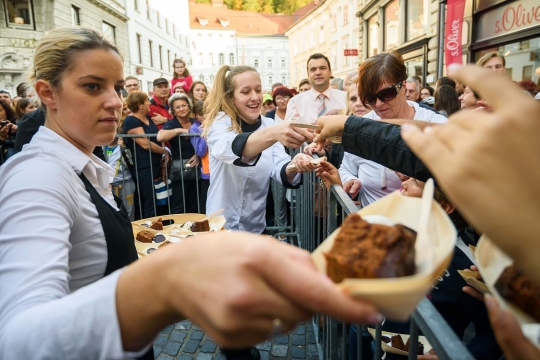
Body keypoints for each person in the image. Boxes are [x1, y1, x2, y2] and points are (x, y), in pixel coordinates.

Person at [0, 26, 382, 360]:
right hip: (222, 231)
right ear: (47, 93)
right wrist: (163, 283)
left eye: (117, 87)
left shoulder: (85, 168)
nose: (115, 102)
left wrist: (295, 165)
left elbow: (277, 170)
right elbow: (17, 338)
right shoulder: (37, 176)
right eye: (92, 86)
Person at [203, 65, 317, 234]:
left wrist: (296, 163)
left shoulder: (269, 124)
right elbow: (229, 149)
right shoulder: (220, 122)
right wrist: (273, 133)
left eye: (258, 90)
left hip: (255, 227)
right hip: (220, 228)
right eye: (245, 92)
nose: (255, 97)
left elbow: (280, 167)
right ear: (231, 97)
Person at [337, 51, 446, 206]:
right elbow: (345, 168)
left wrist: (418, 174)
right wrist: (351, 180)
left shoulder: (434, 122)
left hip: (418, 225)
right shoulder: (361, 127)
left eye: (386, 94)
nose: (379, 104)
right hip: (372, 224)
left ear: (403, 86)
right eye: (370, 98)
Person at [124, 90, 167, 218]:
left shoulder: (148, 117)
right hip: (143, 168)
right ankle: (150, 232)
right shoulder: (130, 121)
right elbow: (145, 144)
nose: (149, 103)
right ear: (140, 105)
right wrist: (165, 151)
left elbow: (157, 137)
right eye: (147, 101)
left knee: (161, 199)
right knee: (150, 202)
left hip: (156, 164)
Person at [157, 93, 199, 214]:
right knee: (179, 204)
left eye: (184, 105)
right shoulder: (172, 123)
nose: (181, 109)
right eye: (178, 107)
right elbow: (160, 136)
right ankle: (176, 231)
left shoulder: (194, 121)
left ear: (189, 106)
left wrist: (198, 155)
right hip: (179, 170)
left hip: (196, 166)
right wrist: (179, 130)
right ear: (173, 111)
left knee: (194, 202)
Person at [286, 53, 346, 124]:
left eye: (322, 68)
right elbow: (292, 130)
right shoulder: (295, 102)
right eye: (313, 69)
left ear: (330, 72)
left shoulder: (346, 98)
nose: (318, 72)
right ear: (308, 75)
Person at [104, 106, 135, 220]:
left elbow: (131, 162)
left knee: (129, 211)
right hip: (110, 184)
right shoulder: (102, 147)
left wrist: (123, 148)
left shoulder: (122, 146)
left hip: (125, 182)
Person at [189, 100, 210, 214]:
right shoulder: (194, 128)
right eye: (202, 114)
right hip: (207, 172)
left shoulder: (215, 123)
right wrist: (206, 131)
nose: (205, 116)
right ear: (195, 115)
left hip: (218, 169)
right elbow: (200, 151)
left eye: (208, 112)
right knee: (205, 203)